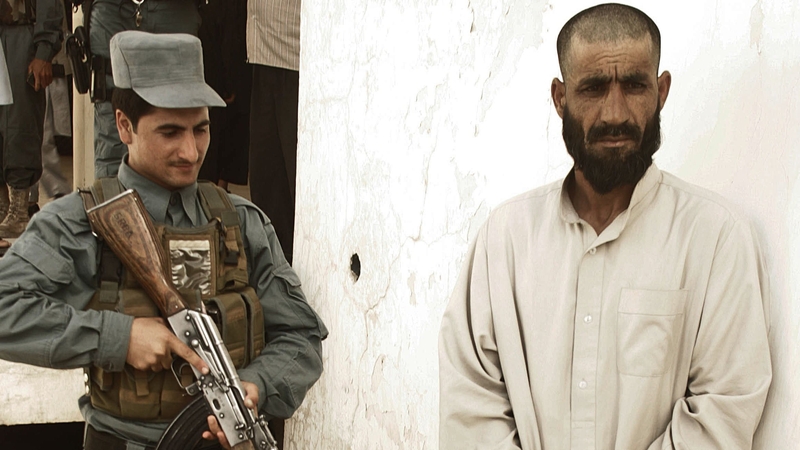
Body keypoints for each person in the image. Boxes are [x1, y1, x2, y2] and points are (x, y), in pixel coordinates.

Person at [438, 4, 771, 450]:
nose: (615, 113)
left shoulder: (716, 238)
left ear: (662, 91)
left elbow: (723, 409)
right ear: (560, 99)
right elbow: (470, 403)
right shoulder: (505, 239)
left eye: (634, 85)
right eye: (593, 88)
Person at [0, 31, 327, 450]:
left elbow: (301, 335)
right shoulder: (78, 223)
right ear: (124, 126)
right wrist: (119, 337)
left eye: (201, 129)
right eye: (170, 132)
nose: (190, 152)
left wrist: (256, 386)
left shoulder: (242, 222)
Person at [89, 0, 202, 178]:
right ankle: (113, 203)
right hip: (112, 9)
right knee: (112, 121)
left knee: (178, 117)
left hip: (174, 10)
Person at [0, 0, 63, 240]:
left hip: (22, 34)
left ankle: (19, 210)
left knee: (20, 122)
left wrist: (44, 51)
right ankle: (3, 207)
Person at [247, 0, 301, 264]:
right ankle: (274, 278)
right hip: (263, 52)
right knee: (266, 182)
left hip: (299, 57)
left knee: (299, 188)